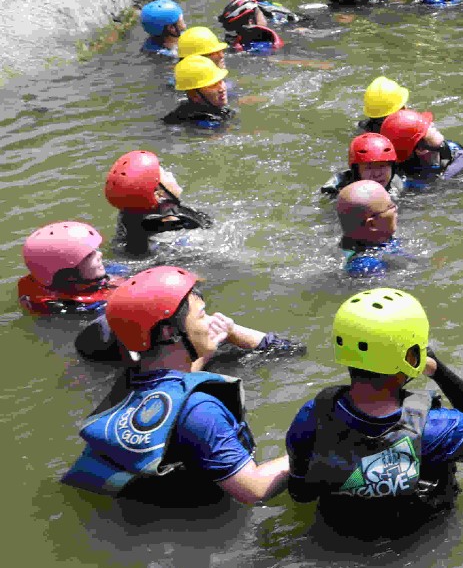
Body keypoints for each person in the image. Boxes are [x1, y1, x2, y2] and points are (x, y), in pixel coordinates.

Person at [59, 267, 292, 508]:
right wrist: (313, 446)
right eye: (202, 315)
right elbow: (254, 490)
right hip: (197, 527)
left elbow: (181, 377)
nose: (211, 321)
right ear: (170, 332)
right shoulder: (200, 410)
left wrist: (225, 336)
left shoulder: (130, 381)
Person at [285, 287, 463, 538]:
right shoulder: (436, 428)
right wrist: (438, 370)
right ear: (412, 357)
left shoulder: (312, 415)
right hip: (417, 537)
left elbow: (300, 494)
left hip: (338, 531)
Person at [104, 150, 213, 257]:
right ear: (159, 194)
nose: (170, 173)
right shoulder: (172, 223)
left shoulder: (131, 217)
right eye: (165, 174)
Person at [17, 221, 126, 316]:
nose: (100, 255)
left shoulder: (47, 275)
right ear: (69, 275)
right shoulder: (80, 307)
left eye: (95, 250)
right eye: (89, 255)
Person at [381, 108, 463, 186]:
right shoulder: (410, 181)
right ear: (421, 149)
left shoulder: (450, 148)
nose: (432, 124)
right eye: (427, 128)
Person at [336, 181, 404, 277]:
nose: (396, 208)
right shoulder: (367, 267)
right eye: (390, 206)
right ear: (372, 224)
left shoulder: (380, 239)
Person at [320, 133, 403, 198]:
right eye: (369, 168)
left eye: (382, 166)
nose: (377, 174)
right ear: (356, 171)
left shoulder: (396, 185)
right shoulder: (342, 192)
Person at [163, 56, 235, 129]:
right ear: (194, 95)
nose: (221, 89)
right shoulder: (203, 123)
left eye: (220, 81)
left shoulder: (187, 108)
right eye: (212, 85)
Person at [217, 0, 283, 53]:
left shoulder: (231, 43)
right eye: (262, 14)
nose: (265, 19)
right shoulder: (265, 44)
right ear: (251, 21)